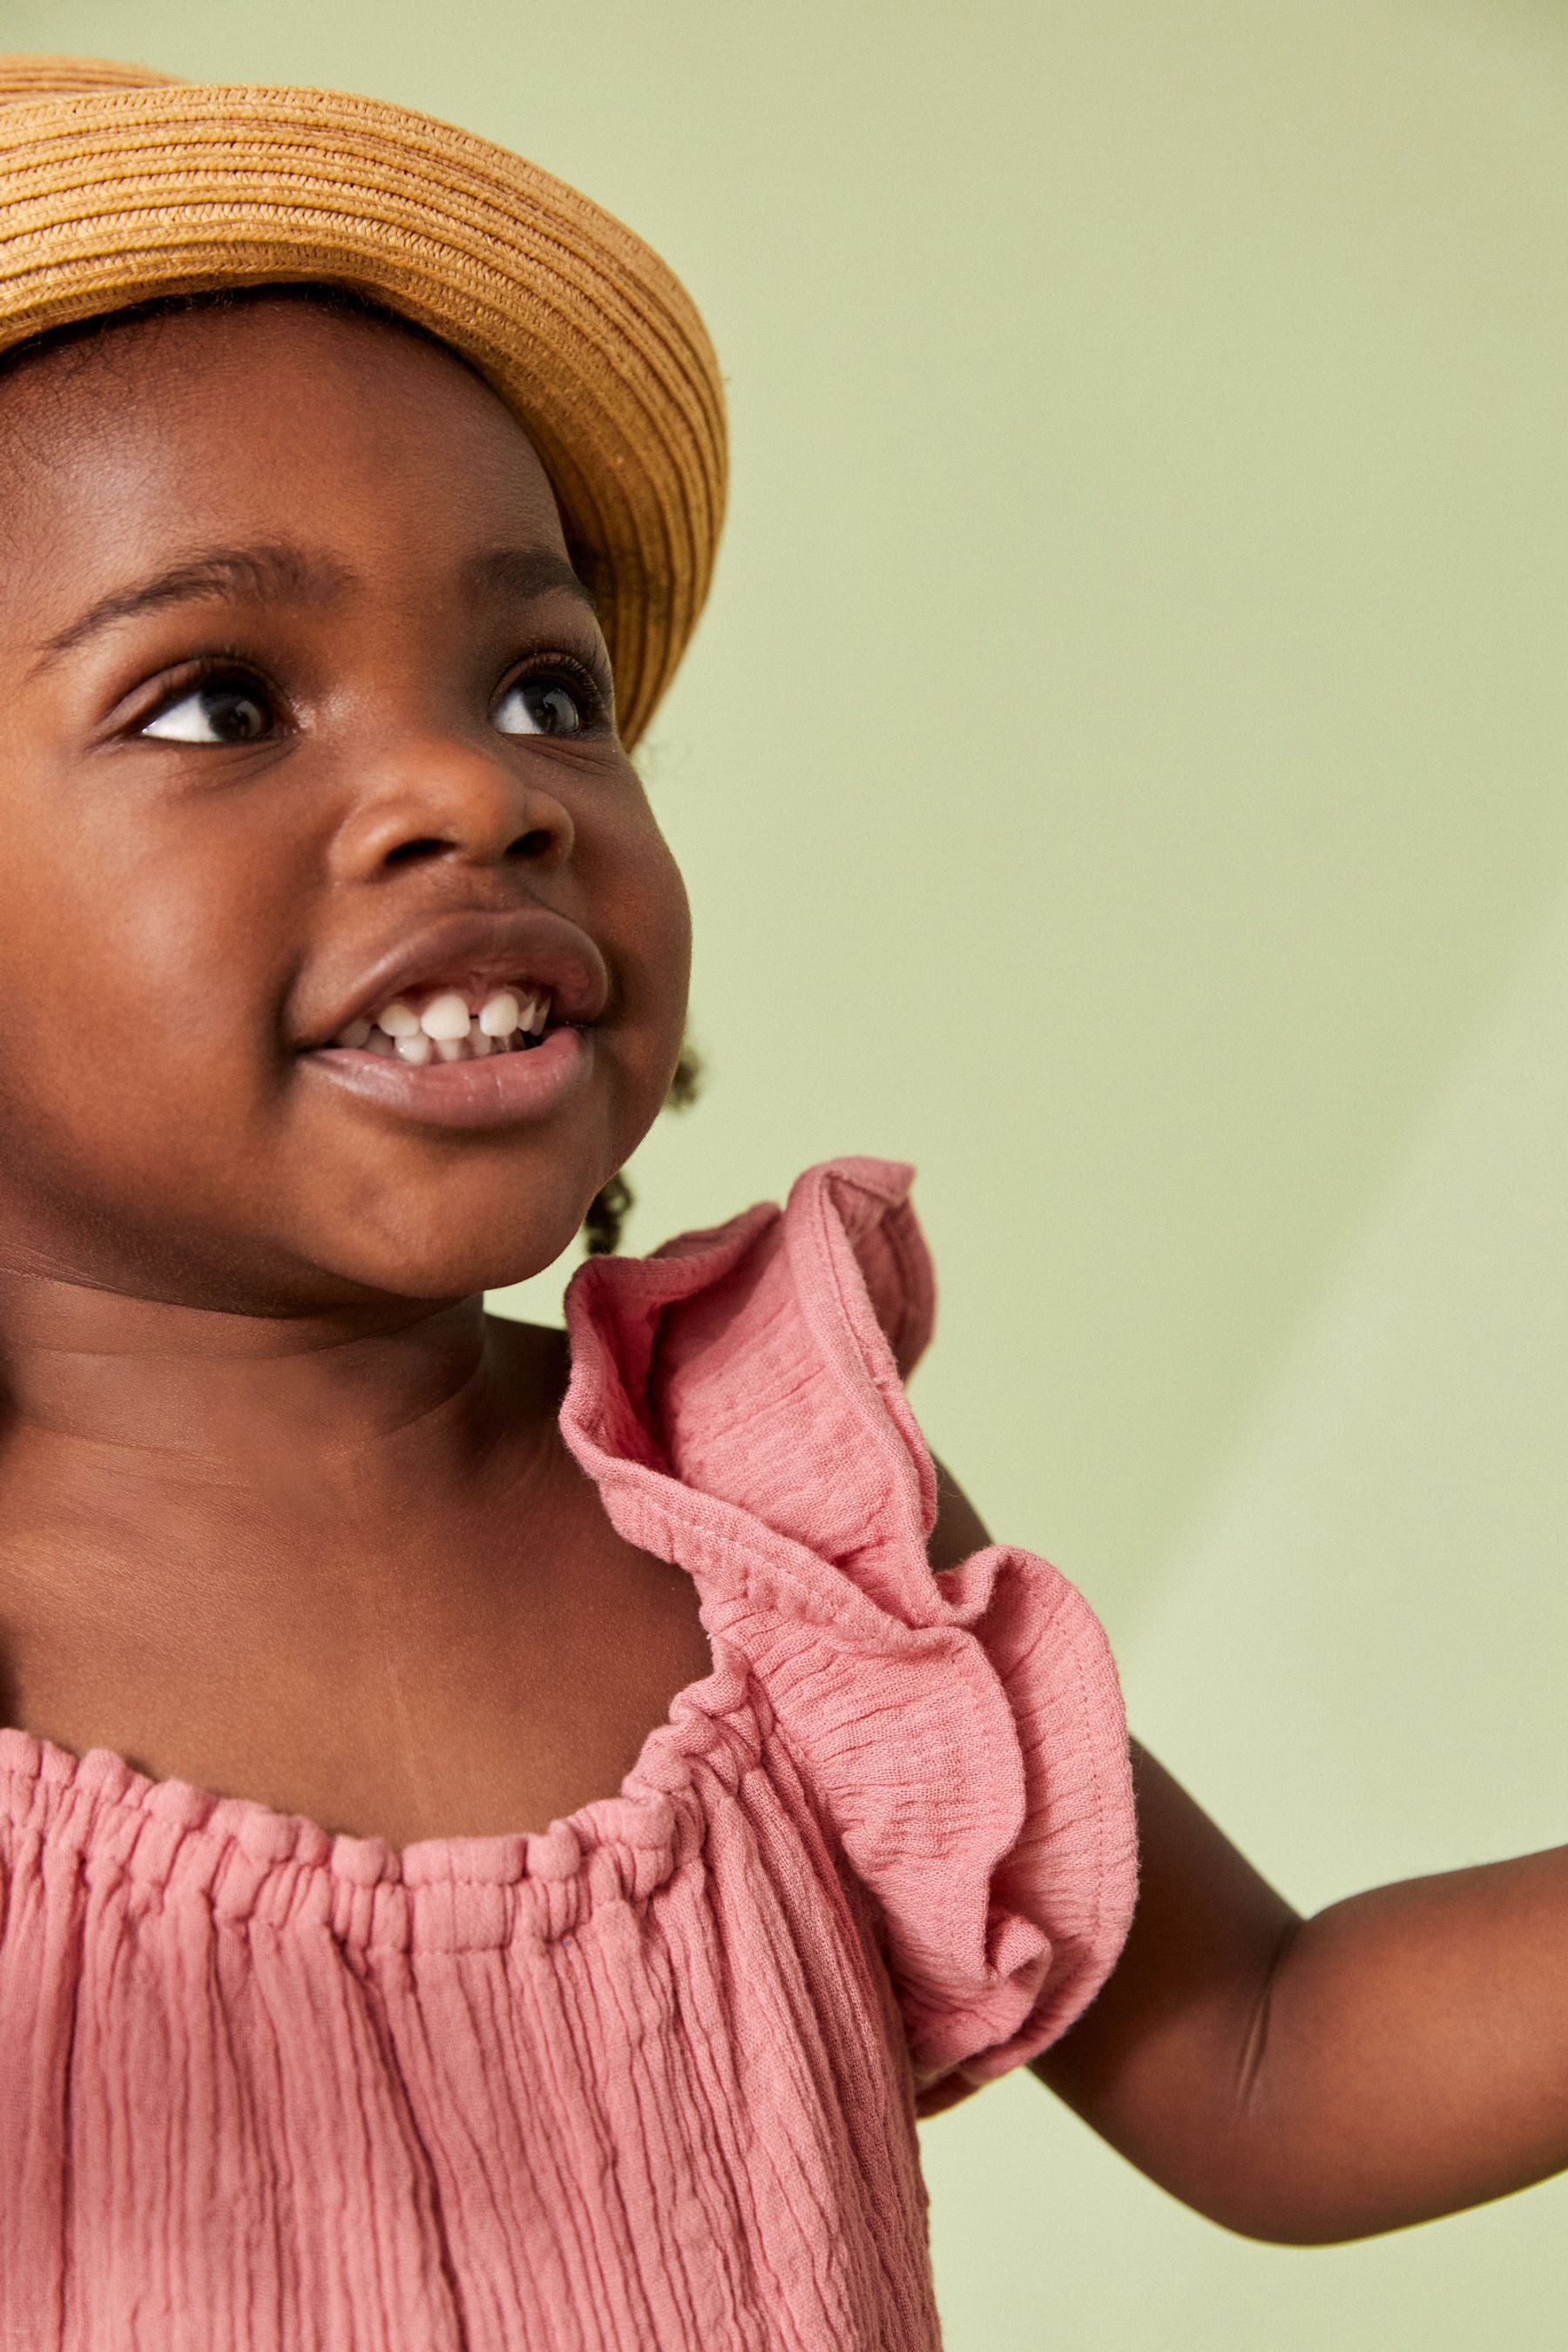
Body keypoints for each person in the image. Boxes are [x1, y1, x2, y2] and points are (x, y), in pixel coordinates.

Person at [0, 52, 1560, 2352]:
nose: (474, 787)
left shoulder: (765, 1515)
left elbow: (1274, 2058)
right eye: (221, 703)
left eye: (548, 688)